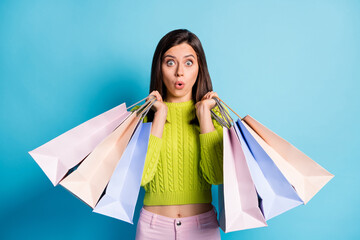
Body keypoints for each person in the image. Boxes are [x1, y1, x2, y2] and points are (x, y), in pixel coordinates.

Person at [130, 29, 224, 240]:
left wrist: (203, 115)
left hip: (203, 228)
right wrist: (160, 116)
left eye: (188, 63)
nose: (179, 72)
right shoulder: (143, 115)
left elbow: (217, 176)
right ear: (159, 68)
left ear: (199, 68)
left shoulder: (213, 113)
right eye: (170, 62)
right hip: (153, 228)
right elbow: (141, 176)